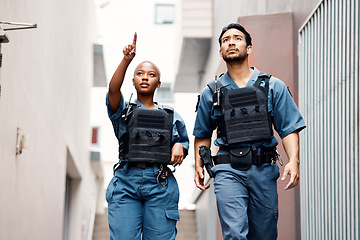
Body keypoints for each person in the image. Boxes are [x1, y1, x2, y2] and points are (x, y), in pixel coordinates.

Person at [193, 23, 306, 240]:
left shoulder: (273, 86)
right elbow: (202, 134)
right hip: (228, 170)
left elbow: (288, 128)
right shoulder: (211, 92)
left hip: (263, 169)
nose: (231, 42)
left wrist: (294, 160)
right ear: (221, 52)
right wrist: (199, 165)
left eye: (237, 38)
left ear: (249, 47)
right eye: (226, 40)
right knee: (235, 234)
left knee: (264, 235)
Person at [105, 32, 189, 240]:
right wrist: (126, 60)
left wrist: (180, 146)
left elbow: (183, 142)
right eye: (140, 73)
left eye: (151, 75)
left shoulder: (170, 116)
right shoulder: (123, 112)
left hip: (160, 182)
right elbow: (113, 90)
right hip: (126, 181)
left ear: (159, 83)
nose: (145, 77)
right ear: (133, 81)